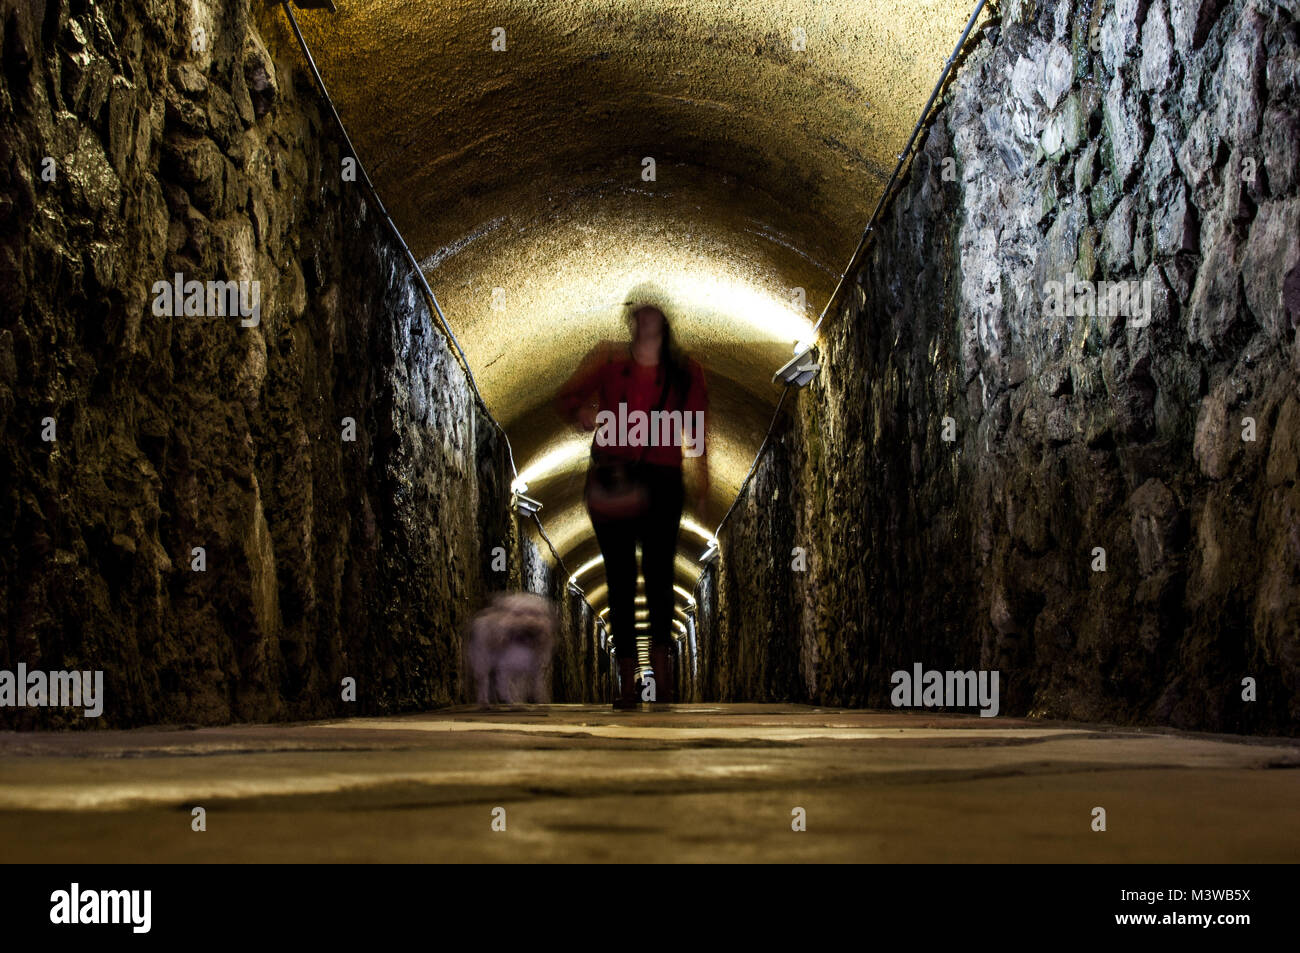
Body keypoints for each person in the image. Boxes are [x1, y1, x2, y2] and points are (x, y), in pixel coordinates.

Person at [556, 297, 709, 709]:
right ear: (632, 324)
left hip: (661, 480)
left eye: (652, 315)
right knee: (619, 580)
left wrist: (704, 476)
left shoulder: (684, 369)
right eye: (639, 316)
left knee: (660, 578)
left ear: (663, 324)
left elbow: (696, 422)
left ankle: (660, 682)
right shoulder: (608, 360)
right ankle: (628, 683)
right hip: (614, 479)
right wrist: (585, 414)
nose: (645, 321)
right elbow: (568, 398)